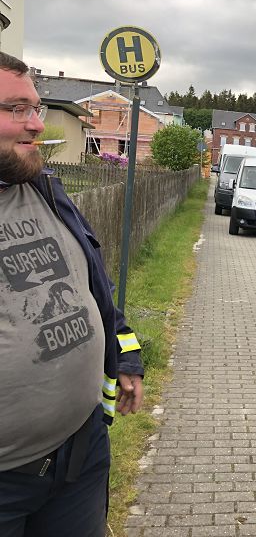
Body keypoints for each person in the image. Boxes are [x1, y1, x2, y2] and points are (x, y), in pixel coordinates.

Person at [0, 52, 144, 536]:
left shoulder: (44, 190)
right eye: (16, 109)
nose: (37, 124)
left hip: (80, 455)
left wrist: (125, 358)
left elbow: (93, 287)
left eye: (36, 108)